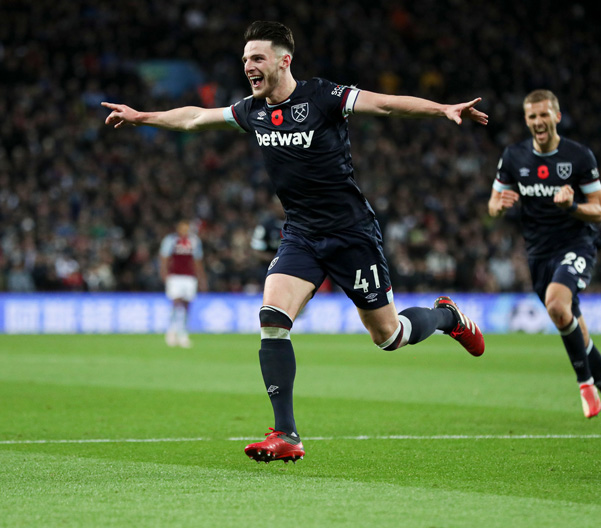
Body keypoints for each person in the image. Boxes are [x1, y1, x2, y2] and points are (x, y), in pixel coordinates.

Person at [102, 20, 488, 463]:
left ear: (284, 61)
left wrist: (442, 109)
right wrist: (141, 116)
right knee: (271, 317)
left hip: (351, 234)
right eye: (245, 58)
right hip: (302, 234)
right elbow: (194, 118)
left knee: (389, 336)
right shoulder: (253, 110)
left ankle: (446, 317)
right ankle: (285, 432)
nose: (248, 65)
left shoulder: (323, 96)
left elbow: (383, 105)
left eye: (257, 58)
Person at [487, 89, 601, 430]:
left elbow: (600, 210)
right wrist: (500, 205)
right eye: (532, 117)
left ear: (557, 116)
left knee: (555, 304)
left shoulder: (578, 157)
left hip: (577, 244)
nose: (538, 122)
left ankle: (585, 385)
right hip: (538, 255)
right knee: (571, 323)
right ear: (526, 121)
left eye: (544, 115)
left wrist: (571, 207)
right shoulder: (514, 156)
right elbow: (492, 205)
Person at [159, 220, 207, 348]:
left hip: (189, 277)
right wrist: (164, 274)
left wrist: (201, 277)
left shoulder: (195, 241)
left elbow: (197, 260)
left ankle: (183, 332)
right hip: (175, 276)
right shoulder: (170, 240)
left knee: (186, 305)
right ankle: (172, 331)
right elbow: (164, 258)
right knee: (176, 302)